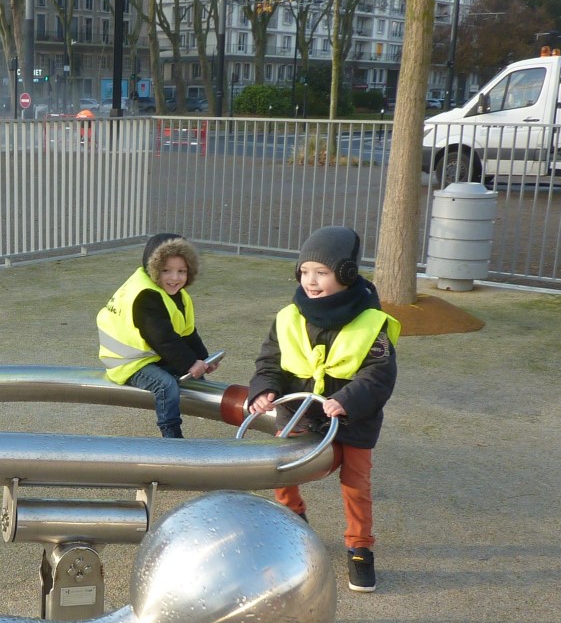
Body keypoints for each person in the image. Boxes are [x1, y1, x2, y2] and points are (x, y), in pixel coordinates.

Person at [247, 226, 399, 593]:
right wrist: (264, 389)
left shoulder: (371, 321)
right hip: (299, 411)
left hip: (352, 417)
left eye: (322, 273)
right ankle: (292, 518)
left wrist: (346, 401)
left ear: (346, 274)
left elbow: (379, 375)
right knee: (283, 471)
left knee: (356, 482)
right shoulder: (287, 316)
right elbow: (269, 361)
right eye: (304, 272)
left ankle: (359, 547)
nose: (311, 281)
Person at [98, 232, 216, 438]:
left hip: (149, 354)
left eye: (182, 271)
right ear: (153, 270)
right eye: (166, 271)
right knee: (166, 385)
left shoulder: (178, 296)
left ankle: (213, 410)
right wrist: (190, 362)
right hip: (126, 363)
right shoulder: (146, 296)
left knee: (197, 372)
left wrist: (203, 359)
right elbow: (164, 339)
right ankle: (171, 437)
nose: (175, 278)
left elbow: (187, 333)